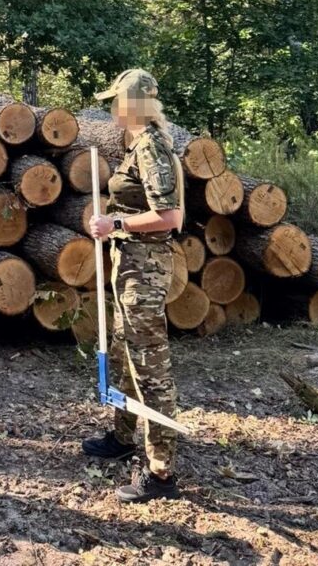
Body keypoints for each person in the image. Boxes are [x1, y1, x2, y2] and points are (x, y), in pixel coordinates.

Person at [82, 69, 186, 503]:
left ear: (132, 104)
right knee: (125, 356)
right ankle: (124, 436)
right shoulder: (137, 144)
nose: (111, 109)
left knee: (150, 368)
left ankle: (161, 473)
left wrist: (116, 223)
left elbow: (171, 217)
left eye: (116, 101)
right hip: (129, 267)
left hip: (145, 271)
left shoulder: (153, 147)